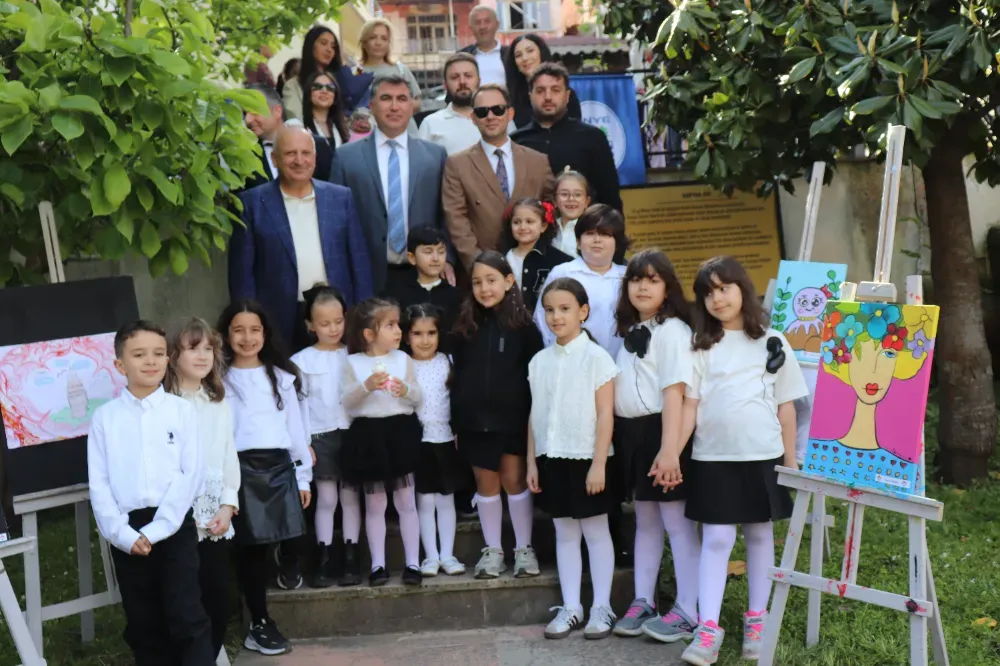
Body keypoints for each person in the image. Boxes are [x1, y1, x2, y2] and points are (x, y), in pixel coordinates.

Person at [669, 256, 807, 665]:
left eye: (724, 288)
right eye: (708, 292)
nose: (717, 298)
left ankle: (757, 619)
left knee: (760, 535)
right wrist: (672, 452)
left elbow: (787, 407)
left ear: (742, 289)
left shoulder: (772, 341)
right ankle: (707, 628)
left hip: (763, 457)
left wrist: (790, 459)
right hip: (712, 458)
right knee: (715, 539)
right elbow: (689, 406)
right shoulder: (700, 347)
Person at [88, 321, 215, 666]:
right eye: (139, 354)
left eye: (158, 353)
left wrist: (159, 528)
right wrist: (123, 534)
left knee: (186, 613)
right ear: (120, 365)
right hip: (128, 532)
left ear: (168, 359)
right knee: (144, 621)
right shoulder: (105, 419)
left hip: (174, 524)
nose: (150, 361)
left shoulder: (181, 411)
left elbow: (192, 474)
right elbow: (99, 484)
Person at [609, 251, 702, 644]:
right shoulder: (631, 331)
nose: (642, 287)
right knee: (646, 520)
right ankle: (644, 601)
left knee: (677, 522)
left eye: (652, 280)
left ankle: (689, 609)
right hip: (633, 435)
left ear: (667, 288)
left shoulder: (673, 331)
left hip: (664, 433)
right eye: (635, 279)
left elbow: (675, 393)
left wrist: (670, 451)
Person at [218, 301, 312, 656]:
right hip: (240, 468)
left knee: (293, 534)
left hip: (279, 466)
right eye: (238, 330)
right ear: (227, 335)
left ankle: (288, 563)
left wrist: (303, 476)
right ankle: (258, 622)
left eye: (254, 329)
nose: (247, 337)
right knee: (252, 548)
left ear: (265, 333)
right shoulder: (219, 379)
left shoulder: (282, 377)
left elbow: (296, 430)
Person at [527, 279, 620, 640]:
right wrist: (533, 462)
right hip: (552, 458)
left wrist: (599, 463)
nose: (556, 316)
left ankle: (601, 607)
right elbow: (535, 414)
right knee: (564, 532)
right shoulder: (539, 362)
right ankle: (571, 607)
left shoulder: (596, 358)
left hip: (587, 458)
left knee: (595, 532)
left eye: (564, 309)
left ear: (583, 312)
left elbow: (606, 414)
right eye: (549, 310)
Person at [229, 126, 374, 351]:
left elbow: (359, 262)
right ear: (274, 159)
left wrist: (364, 315)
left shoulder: (340, 197)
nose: (299, 161)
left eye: (306, 153)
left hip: (335, 317)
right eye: (290, 153)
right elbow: (242, 273)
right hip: (277, 318)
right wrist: (247, 319)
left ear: (315, 157)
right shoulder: (251, 203)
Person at [451, 251, 543, 579]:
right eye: (477, 282)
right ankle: (493, 550)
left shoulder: (525, 328)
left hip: (513, 421)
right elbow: (457, 376)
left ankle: (524, 549)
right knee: (485, 482)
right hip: (474, 422)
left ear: (508, 281)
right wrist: (457, 421)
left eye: (491, 280)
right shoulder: (464, 328)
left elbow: (535, 377)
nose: (484, 288)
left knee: (514, 480)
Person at [330, 73, 452, 294]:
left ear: (411, 106)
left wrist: (448, 259)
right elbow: (336, 221)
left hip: (424, 274)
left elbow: (446, 214)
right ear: (372, 106)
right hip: (367, 276)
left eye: (402, 99)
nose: (394, 106)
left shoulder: (435, 156)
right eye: (386, 98)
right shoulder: (346, 157)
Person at [163, 317, 240, 661]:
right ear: (173, 355)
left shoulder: (216, 401)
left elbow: (228, 454)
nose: (203, 355)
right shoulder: (164, 404)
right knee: (185, 599)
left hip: (214, 516)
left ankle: (207, 656)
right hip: (178, 517)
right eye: (193, 348)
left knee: (219, 595)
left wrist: (227, 504)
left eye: (209, 348)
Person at [340, 298, 424, 586]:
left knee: (406, 500)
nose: (398, 330)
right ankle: (378, 565)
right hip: (369, 434)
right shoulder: (353, 363)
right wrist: (366, 386)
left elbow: (418, 397)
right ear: (369, 334)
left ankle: (413, 563)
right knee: (375, 503)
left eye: (398, 324)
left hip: (400, 431)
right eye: (390, 325)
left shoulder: (403, 359)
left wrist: (406, 389)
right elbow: (347, 402)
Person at [290, 286, 361, 588]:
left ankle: (352, 556)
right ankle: (324, 555)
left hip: (352, 433)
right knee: (328, 497)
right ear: (310, 325)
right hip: (320, 435)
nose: (333, 329)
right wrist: (303, 443)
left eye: (338, 321)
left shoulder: (356, 355)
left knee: (350, 496)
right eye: (324, 323)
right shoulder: (301, 361)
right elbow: (298, 407)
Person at [443, 84, 554, 271]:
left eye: (498, 109)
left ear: (510, 113)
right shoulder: (457, 165)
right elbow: (457, 222)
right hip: (482, 274)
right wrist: (481, 267)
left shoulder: (538, 161)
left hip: (534, 269)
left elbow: (551, 210)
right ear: (473, 118)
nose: (490, 117)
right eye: (482, 112)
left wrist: (542, 258)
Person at [404, 304, 468, 577]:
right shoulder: (403, 363)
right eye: (417, 333)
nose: (425, 340)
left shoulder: (447, 361)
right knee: (425, 500)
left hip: (445, 439)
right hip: (418, 441)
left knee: (445, 499)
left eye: (431, 332)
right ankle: (430, 556)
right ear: (407, 336)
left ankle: (448, 555)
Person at [512, 63, 622, 211]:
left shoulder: (592, 137)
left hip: (585, 224)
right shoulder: (517, 142)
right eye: (540, 91)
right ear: (530, 96)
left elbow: (610, 197)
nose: (548, 97)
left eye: (555, 90)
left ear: (567, 96)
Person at [534, 204, 627, 358]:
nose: (597, 240)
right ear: (578, 241)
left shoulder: (627, 276)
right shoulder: (563, 273)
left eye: (605, 234)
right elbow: (542, 321)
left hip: (620, 364)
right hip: (570, 362)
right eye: (590, 233)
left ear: (617, 243)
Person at [379, 226, 460, 351]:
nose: (435, 258)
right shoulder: (395, 294)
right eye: (428, 252)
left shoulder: (456, 295)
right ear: (412, 258)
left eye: (441, 252)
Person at [418, 53, 515, 155]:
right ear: (445, 85)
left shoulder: (500, 116)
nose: (462, 82)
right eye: (455, 77)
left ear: (479, 81)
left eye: (468, 76)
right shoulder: (430, 124)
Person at [241, 84, 333, 190]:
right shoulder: (244, 153)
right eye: (245, 113)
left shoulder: (317, 145)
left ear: (277, 111)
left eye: (254, 112)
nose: (248, 120)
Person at [498, 198, 572, 311]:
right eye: (516, 222)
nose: (522, 227)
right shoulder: (502, 258)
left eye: (529, 222)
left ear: (543, 226)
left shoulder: (560, 261)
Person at [283, 25, 371, 120]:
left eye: (333, 47)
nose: (329, 50)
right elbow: (295, 119)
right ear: (310, 46)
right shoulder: (294, 85)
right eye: (323, 43)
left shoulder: (342, 79)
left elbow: (361, 72)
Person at [505, 34, 581, 129]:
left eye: (530, 51)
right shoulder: (512, 97)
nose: (525, 58)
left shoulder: (564, 92)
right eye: (518, 55)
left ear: (541, 53)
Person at [357, 18, 421, 106]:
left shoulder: (400, 70)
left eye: (384, 38)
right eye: (372, 38)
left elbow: (417, 102)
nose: (378, 43)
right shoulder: (356, 72)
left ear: (388, 43)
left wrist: (398, 107)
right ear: (364, 43)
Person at [460, 5, 509, 86]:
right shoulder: (462, 56)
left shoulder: (510, 54)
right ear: (471, 28)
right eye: (477, 22)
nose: (482, 27)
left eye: (487, 21)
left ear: (497, 24)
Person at [302, 70, 350, 148]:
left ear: (335, 95)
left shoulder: (343, 129)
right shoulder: (299, 126)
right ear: (309, 93)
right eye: (317, 86)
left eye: (330, 87)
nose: (324, 91)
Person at [552, 170, 591, 256]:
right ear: (554, 201)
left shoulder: (591, 231)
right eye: (564, 194)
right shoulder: (548, 230)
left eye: (577, 195)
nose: (571, 199)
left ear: (587, 201)